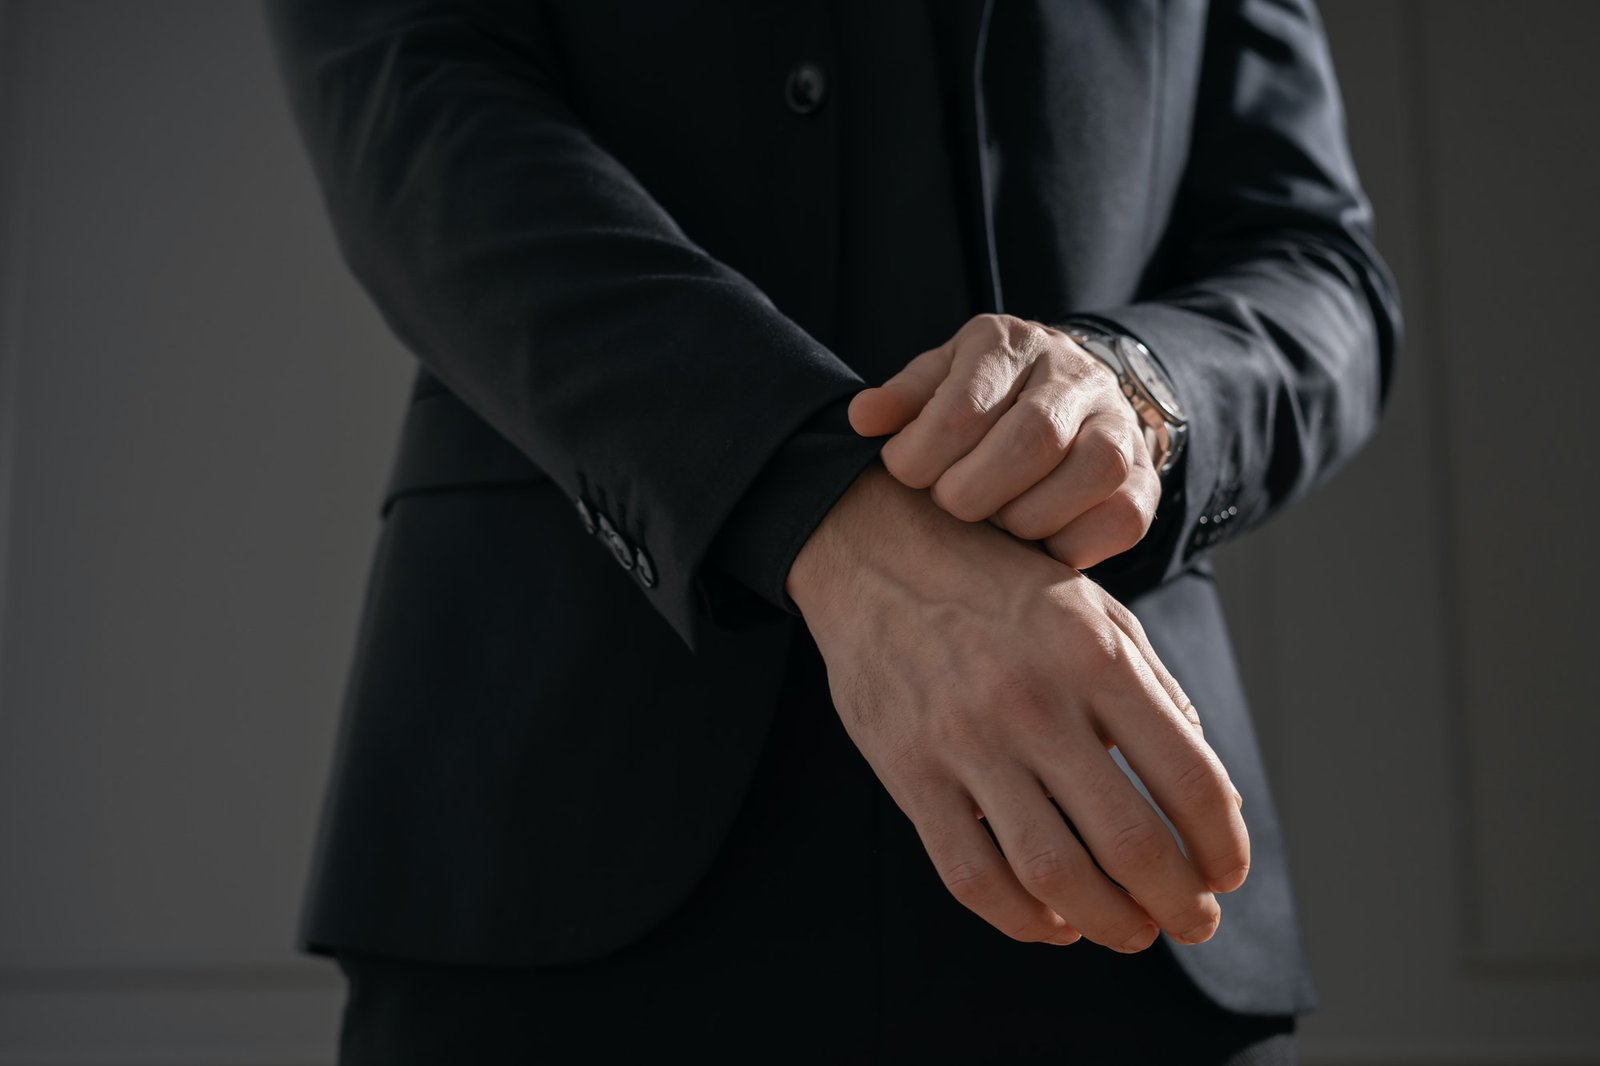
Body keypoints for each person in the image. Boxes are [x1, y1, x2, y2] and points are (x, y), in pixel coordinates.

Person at [264, 0, 1400, 1061]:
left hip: (1105, 847)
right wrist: (813, 500)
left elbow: (1318, 264)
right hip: (556, 836)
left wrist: (1141, 391)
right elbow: (415, 111)